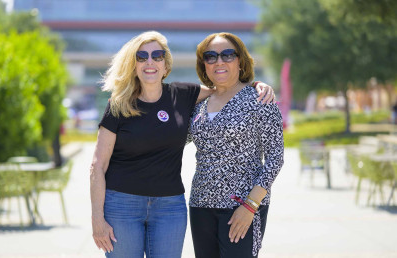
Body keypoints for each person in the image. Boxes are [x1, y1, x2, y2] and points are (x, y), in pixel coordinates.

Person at [89, 31, 275, 258]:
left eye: (157, 56)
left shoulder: (184, 95)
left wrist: (256, 84)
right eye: (142, 57)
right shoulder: (118, 105)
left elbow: (225, 87)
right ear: (133, 64)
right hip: (126, 206)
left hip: (171, 207)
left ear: (166, 66)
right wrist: (97, 218)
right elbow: (97, 165)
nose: (150, 62)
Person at [188, 32, 284, 258]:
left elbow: (275, 158)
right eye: (210, 56)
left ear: (240, 61)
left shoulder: (260, 100)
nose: (219, 61)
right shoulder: (199, 104)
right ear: (204, 64)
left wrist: (251, 206)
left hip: (242, 206)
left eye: (227, 55)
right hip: (200, 205)